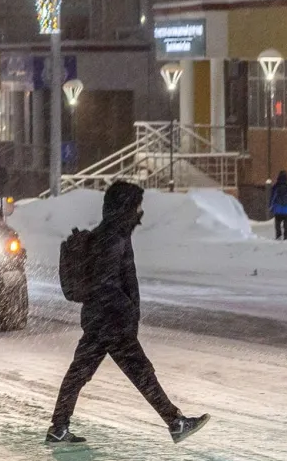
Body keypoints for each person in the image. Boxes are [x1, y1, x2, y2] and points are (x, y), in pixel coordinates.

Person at [48, 182, 210, 445]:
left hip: (101, 320)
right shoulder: (112, 237)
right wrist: (126, 312)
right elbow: (106, 282)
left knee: (81, 373)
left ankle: (58, 427)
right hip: (111, 321)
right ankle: (175, 422)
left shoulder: (114, 234)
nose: (139, 212)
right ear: (125, 207)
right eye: (136, 205)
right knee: (140, 373)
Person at [268, 170, 287, 240]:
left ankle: (278, 235)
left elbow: (273, 197)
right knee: (286, 221)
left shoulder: (276, 186)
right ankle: (286, 235)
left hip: (278, 207)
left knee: (277, 222)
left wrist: (270, 206)